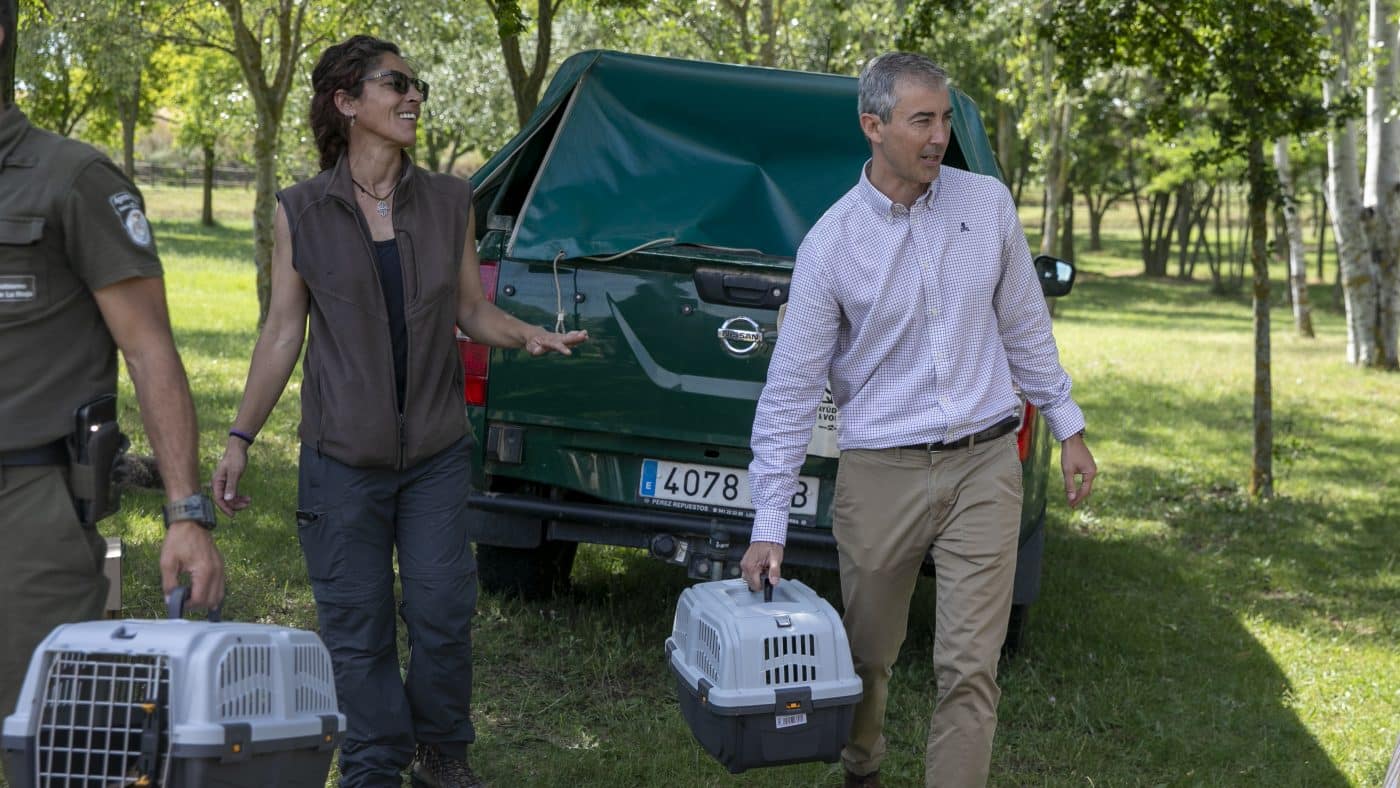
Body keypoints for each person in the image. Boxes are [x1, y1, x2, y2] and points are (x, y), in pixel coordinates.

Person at [211, 35, 586, 788]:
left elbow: (472, 312)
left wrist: (526, 335)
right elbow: (284, 330)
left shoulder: (451, 199)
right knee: (358, 627)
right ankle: (376, 764)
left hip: (436, 456)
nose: (414, 96)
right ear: (348, 102)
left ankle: (442, 753)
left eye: (417, 85)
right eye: (397, 84)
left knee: (444, 609)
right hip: (340, 459)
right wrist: (240, 436)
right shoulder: (301, 211)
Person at [740, 52, 1097, 788]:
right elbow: (790, 391)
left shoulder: (987, 205)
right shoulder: (831, 246)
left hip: (984, 463)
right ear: (873, 126)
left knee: (970, 667)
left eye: (944, 118)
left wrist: (1068, 427)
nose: (938, 137)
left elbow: (1026, 328)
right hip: (881, 473)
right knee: (867, 656)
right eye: (921, 120)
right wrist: (767, 522)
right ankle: (861, 765)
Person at [0, 0, 225, 764]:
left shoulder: (72, 179)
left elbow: (151, 350)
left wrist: (185, 514)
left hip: (26, 513)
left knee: (52, 748)